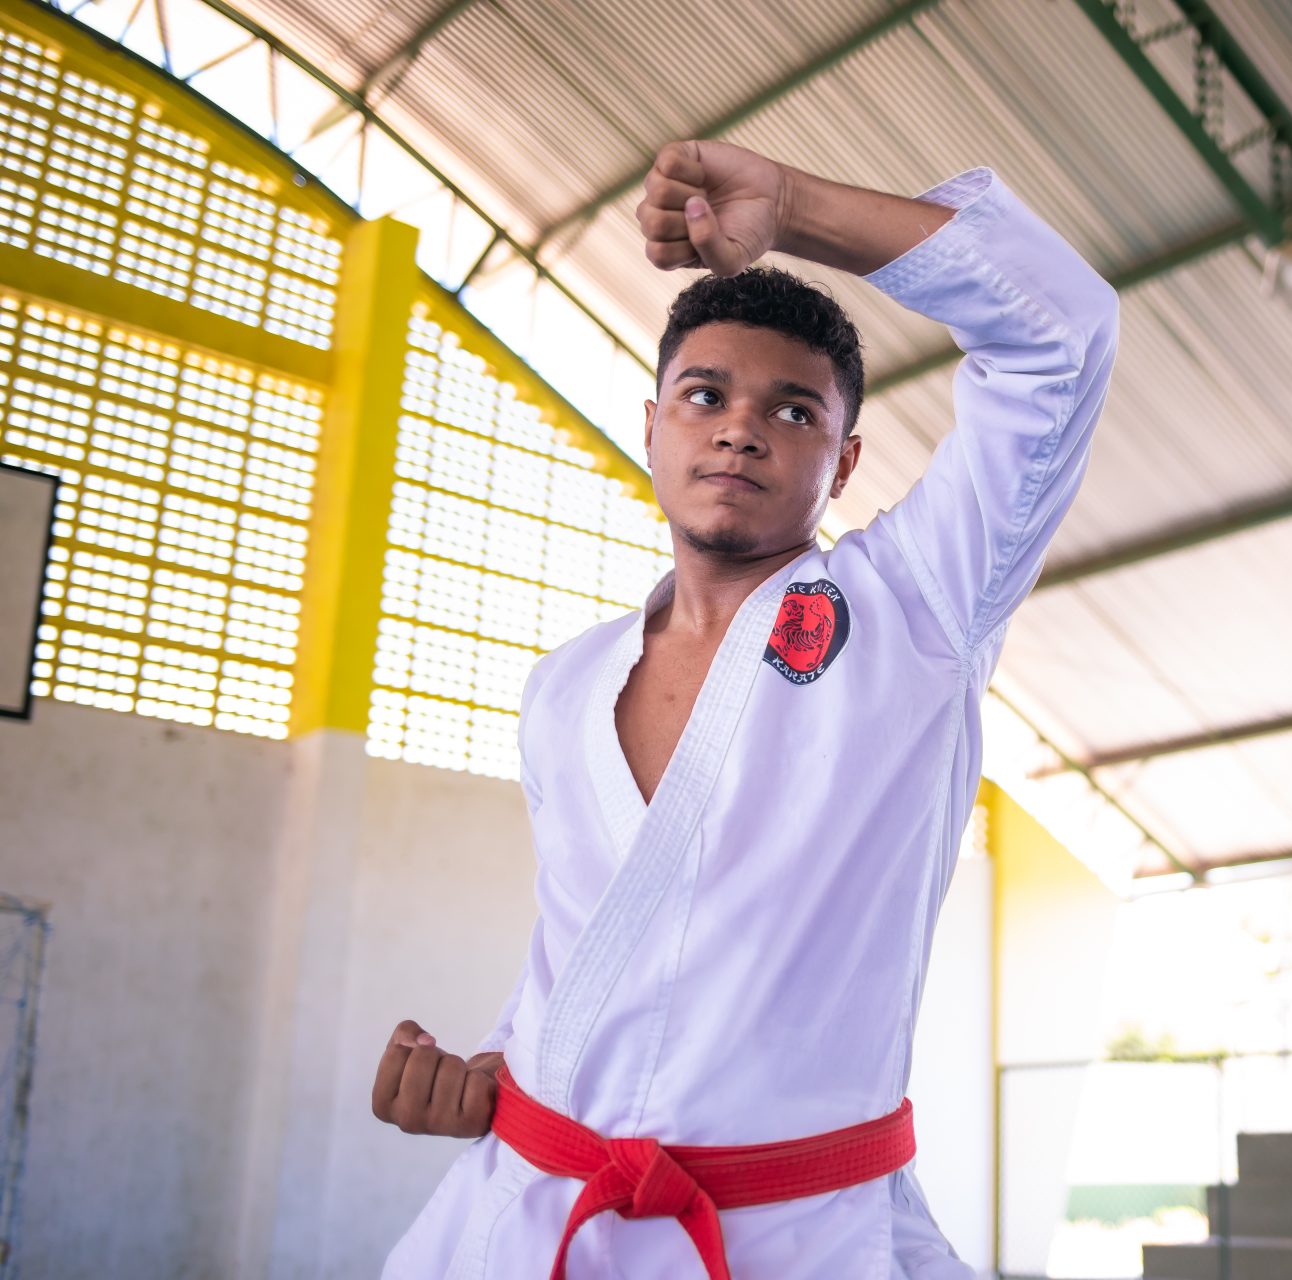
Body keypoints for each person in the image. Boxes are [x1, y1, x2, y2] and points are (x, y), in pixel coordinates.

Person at [371, 138, 1119, 1278]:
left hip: (793, 1234)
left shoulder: (915, 612)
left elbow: (1061, 333)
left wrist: (797, 208)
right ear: (653, 423)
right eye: (705, 395)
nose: (739, 427)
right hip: (525, 1210)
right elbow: (585, 955)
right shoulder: (564, 683)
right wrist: (486, 1072)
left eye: (794, 412)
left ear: (847, 458)